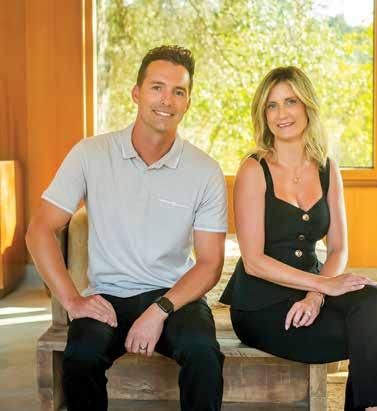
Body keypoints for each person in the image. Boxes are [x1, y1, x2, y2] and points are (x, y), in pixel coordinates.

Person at [26, 45, 227, 411]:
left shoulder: (205, 170)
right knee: (81, 358)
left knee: (203, 353)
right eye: (157, 87)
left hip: (174, 296)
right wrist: (72, 300)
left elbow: (210, 264)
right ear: (136, 93)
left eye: (178, 91)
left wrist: (159, 310)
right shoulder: (90, 154)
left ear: (187, 102)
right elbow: (39, 230)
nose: (166, 100)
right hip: (108, 295)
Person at [220, 66, 377, 411]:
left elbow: (338, 248)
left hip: (312, 292)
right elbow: (254, 262)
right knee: (370, 337)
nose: (281, 114)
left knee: (374, 301)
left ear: (307, 106)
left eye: (290, 101)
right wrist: (323, 285)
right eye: (271, 106)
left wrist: (316, 295)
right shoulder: (253, 169)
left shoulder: (327, 168)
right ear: (263, 115)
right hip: (261, 306)